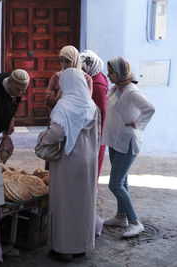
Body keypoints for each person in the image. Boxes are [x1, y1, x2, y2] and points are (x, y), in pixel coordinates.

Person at [37, 68, 100, 262]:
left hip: (68, 162)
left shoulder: (64, 106)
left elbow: (56, 134)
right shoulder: (91, 104)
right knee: (83, 203)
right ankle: (82, 246)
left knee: (65, 204)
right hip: (88, 160)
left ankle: (64, 249)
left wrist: (41, 138)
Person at [102, 57, 155, 237]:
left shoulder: (131, 91)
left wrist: (137, 123)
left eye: (111, 72)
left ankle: (135, 221)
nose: (108, 75)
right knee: (122, 180)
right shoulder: (116, 89)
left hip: (127, 142)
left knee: (115, 184)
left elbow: (150, 109)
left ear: (121, 73)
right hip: (116, 140)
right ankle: (121, 216)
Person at [0, 69, 30, 163]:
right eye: (18, 90)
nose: (19, 94)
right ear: (9, 81)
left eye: (23, 90)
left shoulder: (16, 83)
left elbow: (14, 102)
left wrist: (11, 118)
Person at [45, 45, 93, 124]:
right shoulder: (56, 77)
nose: (63, 64)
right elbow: (48, 100)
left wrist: (58, 98)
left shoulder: (86, 79)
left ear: (75, 60)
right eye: (61, 60)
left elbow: (85, 104)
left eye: (67, 61)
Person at [80, 50, 109, 180]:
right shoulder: (95, 75)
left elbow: (102, 112)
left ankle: (90, 191)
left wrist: (98, 135)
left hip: (95, 131)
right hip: (91, 128)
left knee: (92, 163)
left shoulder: (97, 85)